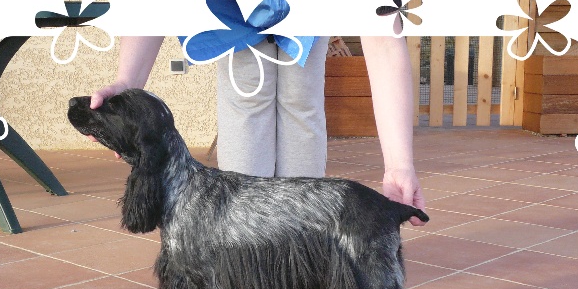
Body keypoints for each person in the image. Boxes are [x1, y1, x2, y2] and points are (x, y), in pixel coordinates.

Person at [89, 35, 426, 226]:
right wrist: (126, 81)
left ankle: (296, 242)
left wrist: (399, 164)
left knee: (296, 96)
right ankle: (251, 246)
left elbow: (383, 39)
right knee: (254, 92)